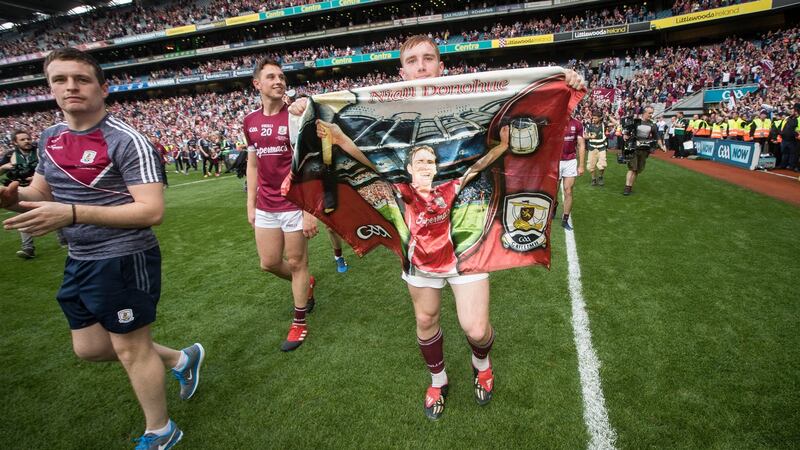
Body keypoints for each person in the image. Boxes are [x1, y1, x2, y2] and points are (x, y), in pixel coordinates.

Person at [295, 34, 585, 420]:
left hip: (466, 248)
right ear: (401, 71)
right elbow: (358, 153)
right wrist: (307, 110)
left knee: (477, 328)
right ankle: (439, 379)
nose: (420, 66)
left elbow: (482, 161)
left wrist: (563, 82)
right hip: (417, 254)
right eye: (412, 61)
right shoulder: (392, 131)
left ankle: (481, 365)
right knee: (426, 319)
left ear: (440, 66)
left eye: (427, 58)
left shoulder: (462, 100)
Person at [0, 48, 204, 450]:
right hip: (80, 257)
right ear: (50, 88)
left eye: (81, 79)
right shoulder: (50, 137)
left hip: (124, 256)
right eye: (60, 80)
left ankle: (161, 431)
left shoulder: (127, 140)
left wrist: (71, 214)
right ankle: (181, 359)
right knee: (91, 349)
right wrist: (12, 199)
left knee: (130, 348)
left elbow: (151, 211)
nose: (70, 87)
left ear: (103, 88)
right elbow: (40, 191)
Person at [244, 57, 318, 352]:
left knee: (298, 262)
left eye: (281, 77)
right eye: (271, 77)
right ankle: (306, 283)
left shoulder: (296, 116)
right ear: (257, 84)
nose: (278, 81)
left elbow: (308, 166)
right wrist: (250, 205)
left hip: (292, 203)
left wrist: (307, 209)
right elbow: (252, 165)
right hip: (265, 205)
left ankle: (299, 321)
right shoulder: (249, 121)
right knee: (269, 263)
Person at [1, 129, 39, 258]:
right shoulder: (9, 155)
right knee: (25, 217)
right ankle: (28, 248)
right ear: (15, 142)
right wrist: (3, 168)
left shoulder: (39, 151)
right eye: (22, 139)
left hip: (42, 188)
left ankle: (65, 241)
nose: (27, 141)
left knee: (55, 210)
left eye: (28, 138)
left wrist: (38, 177)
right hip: (22, 191)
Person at [623, 106, 663, 196]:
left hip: (645, 149)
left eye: (652, 113)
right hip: (633, 148)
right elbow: (627, 132)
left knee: (637, 169)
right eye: (649, 113)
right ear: (644, 112)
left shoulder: (652, 124)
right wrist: (626, 136)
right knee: (632, 168)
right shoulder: (636, 121)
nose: (651, 115)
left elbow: (657, 136)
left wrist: (661, 146)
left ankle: (630, 186)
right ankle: (627, 187)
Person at [560, 113, 585, 230]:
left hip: (570, 160)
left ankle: (565, 219)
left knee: (568, 191)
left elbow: (581, 144)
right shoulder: (553, 122)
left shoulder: (577, 124)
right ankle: (553, 206)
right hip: (555, 161)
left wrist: (581, 165)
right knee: (552, 191)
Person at [584, 111, 607, 187]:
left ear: (600, 118)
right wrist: (590, 137)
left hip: (601, 148)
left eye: (595, 118)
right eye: (593, 117)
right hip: (592, 148)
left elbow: (616, 123)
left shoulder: (604, 125)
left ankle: (600, 177)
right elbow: (585, 136)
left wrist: (608, 116)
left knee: (602, 165)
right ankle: (593, 179)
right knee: (590, 166)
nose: (593, 119)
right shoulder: (589, 126)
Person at [777, 104, 800, 171]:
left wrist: (795, 134)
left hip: (793, 139)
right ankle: (783, 165)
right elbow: (781, 126)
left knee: (792, 154)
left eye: (792, 110)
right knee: (784, 153)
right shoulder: (787, 118)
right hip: (784, 138)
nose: (791, 111)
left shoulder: (797, 119)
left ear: (796, 111)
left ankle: (791, 166)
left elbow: (795, 128)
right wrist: (781, 133)